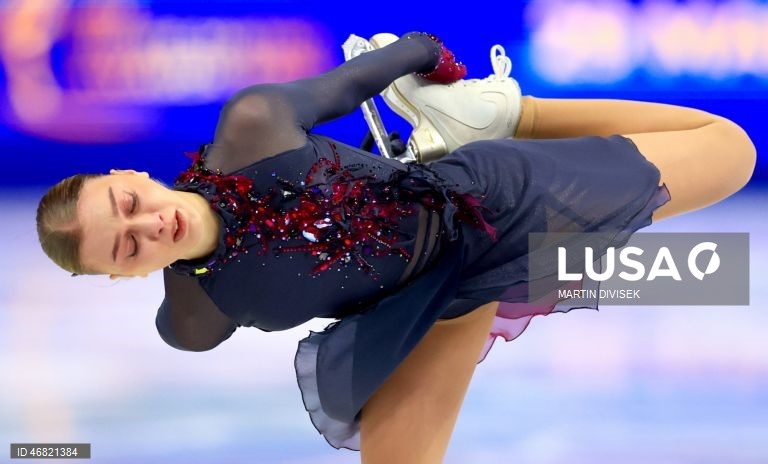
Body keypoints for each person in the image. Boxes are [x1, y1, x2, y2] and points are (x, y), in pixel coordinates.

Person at [35, 31, 755, 463]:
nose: (148, 228)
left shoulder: (252, 127)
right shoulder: (192, 319)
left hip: (488, 208)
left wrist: (438, 70)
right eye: (125, 250)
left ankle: (503, 116)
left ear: (128, 174)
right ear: (118, 279)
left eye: (128, 205)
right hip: (426, 309)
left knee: (732, 152)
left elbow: (391, 61)